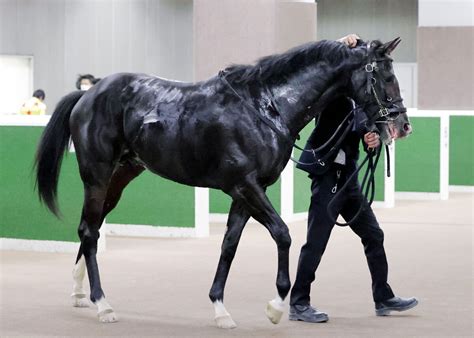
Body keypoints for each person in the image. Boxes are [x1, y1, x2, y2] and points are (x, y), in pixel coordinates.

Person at [288, 35, 418, 323]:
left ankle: (383, 297)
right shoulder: (331, 92)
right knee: (316, 242)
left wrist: (370, 138)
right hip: (328, 179)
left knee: (374, 235)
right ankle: (298, 303)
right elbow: (318, 64)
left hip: (349, 181)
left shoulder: (363, 97)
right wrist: (338, 42)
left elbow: (361, 127)